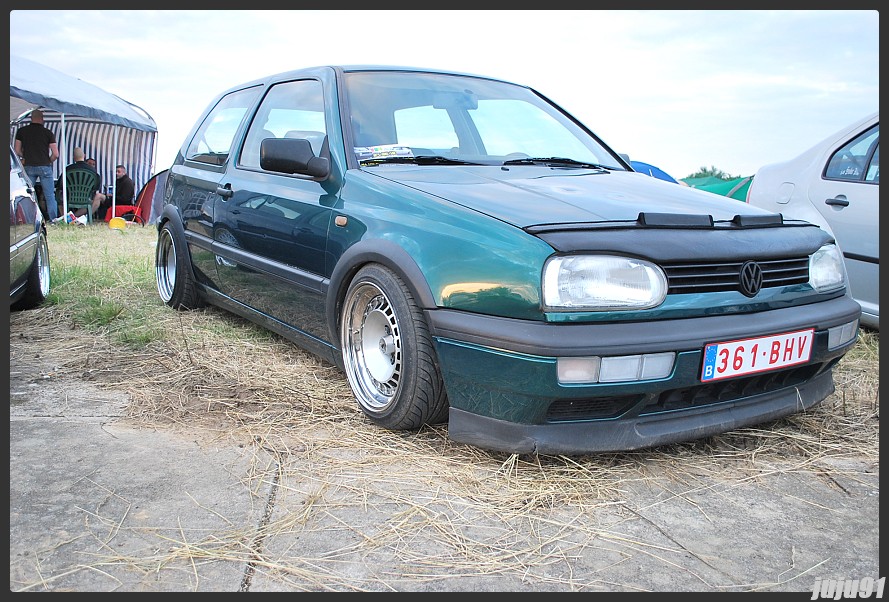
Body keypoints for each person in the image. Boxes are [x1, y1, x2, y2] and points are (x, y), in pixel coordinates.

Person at [14, 109, 61, 220]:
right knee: (49, 196)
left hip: (29, 166)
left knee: (28, 195)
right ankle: (53, 219)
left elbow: (16, 150)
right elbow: (56, 154)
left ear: (31, 118)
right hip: (44, 166)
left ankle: (29, 220)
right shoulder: (48, 133)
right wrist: (49, 160)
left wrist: (25, 155)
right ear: (42, 119)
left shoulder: (22, 131)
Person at [54, 147, 105, 218]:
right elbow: (96, 187)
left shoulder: (68, 169)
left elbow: (60, 185)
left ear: (74, 157)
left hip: (69, 197)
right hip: (86, 197)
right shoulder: (93, 171)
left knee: (58, 196)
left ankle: (65, 217)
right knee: (93, 199)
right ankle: (80, 217)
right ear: (84, 156)